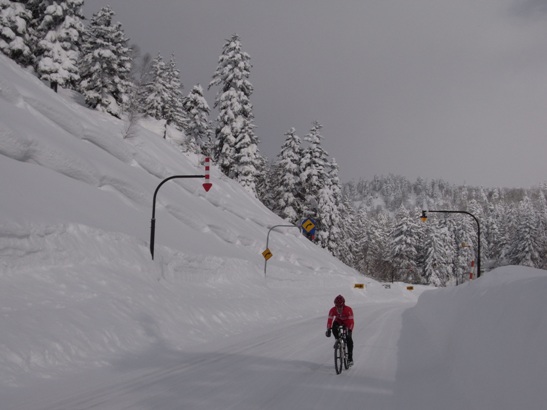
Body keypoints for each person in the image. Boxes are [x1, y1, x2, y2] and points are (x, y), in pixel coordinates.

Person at [325, 294, 354, 365]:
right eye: (337, 306)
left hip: (347, 322)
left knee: (349, 338)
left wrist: (349, 331)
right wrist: (328, 329)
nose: (339, 308)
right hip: (338, 321)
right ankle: (338, 340)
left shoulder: (348, 310)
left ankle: (350, 358)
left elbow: (351, 322)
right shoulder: (332, 310)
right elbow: (329, 320)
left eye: (340, 306)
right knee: (334, 328)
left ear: (343, 305)